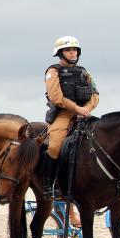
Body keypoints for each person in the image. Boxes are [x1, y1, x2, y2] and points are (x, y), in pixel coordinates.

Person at [42, 36, 99, 199]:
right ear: (60, 53)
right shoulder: (53, 71)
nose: (72, 53)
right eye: (68, 50)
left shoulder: (84, 72)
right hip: (64, 114)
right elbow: (56, 97)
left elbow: (95, 95)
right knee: (54, 146)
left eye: (74, 50)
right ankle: (49, 186)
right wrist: (77, 109)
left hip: (85, 113)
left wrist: (86, 109)